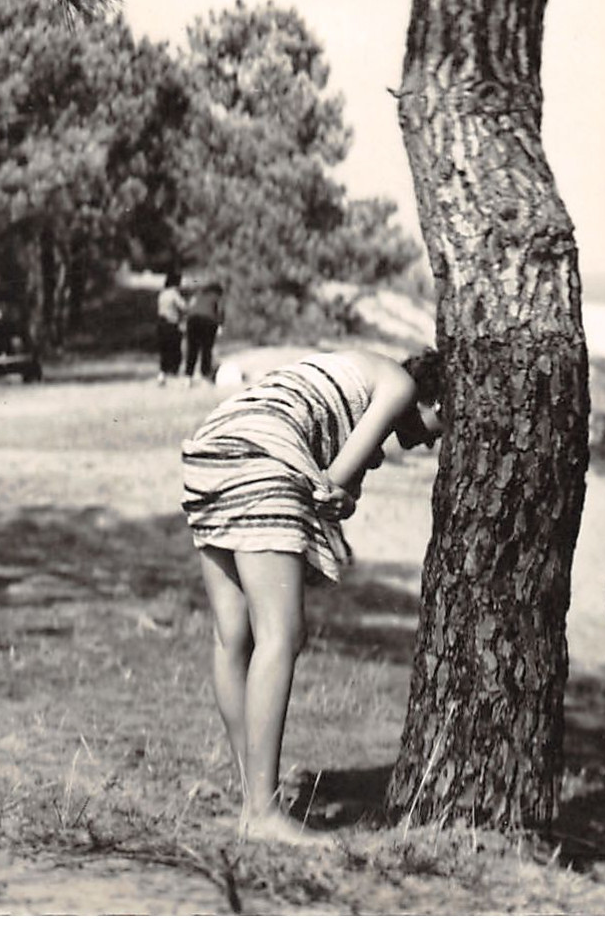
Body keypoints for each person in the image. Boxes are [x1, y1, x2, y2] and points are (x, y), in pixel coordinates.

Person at [181, 347, 444, 845]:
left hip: (212, 449)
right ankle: (263, 813)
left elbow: (336, 459)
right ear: (440, 403)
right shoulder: (398, 387)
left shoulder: (351, 369)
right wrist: (341, 497)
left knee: (232, 636)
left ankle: (252, 799)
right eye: (440, 433)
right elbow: (332, 483)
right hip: (263, 458)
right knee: (281, 635)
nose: (429, 446)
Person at [183, 280, 225, 387]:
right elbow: (220, 311)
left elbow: (189, 308)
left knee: (192, 349)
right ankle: (205, 377)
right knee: (206, 350)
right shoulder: (217, 297)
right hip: (208, 321)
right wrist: (220, 325)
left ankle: (188, 377)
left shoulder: (198, 295)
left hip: (192, 320)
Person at [155, 270, 187, 386]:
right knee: (175, 349)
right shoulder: (174, 293)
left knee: (164, 350)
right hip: (171, 324)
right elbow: (183, 306)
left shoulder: (162, 293)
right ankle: (174, 371)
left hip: (161, 323)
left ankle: (163, 372)